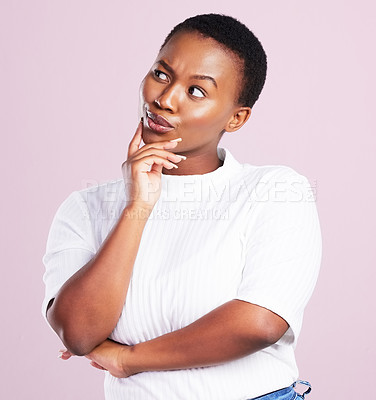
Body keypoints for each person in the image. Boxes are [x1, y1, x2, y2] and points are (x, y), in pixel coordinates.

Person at [42, 13, 321, 400]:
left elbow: (258, 322)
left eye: (196, 91)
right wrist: (137, 207)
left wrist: (129, 359)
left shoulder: (274, 191)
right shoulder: (86, 207)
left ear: (237, 117)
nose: (164, 99)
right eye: (161, 74)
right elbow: (78, 332)